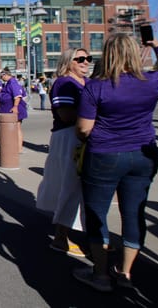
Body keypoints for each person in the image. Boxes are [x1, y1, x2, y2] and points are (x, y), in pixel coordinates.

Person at [72, 33, 158, 292]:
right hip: (143, 154)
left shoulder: (96, 86)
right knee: (134, 212)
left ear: (108, 55)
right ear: (135, 54)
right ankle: (125, 272)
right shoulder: (151, 82)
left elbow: (83, 129)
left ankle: (101, 274)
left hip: (105, 153)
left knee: (97, 213)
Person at [35, 48, 91, 259]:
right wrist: (94, 112)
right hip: (70, 137)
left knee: (83, 188)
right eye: (80, 59)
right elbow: (66, 114)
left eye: (88, 58)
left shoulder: (84, 83)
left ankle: (91, 236)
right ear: (69, 62)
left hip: (84, 137)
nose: (86, 62)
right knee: (70, 185)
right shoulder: (64, 83)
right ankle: (61, 237)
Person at [0, 68, 28, 152]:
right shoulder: (9, 83)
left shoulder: (13, 83)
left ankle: (19, 148)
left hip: (14, 108)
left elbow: (17, 96)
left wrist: (15, 106)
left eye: (1, 76)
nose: (1, 78)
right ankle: (15, 147)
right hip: (9, 108)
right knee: (14, 129)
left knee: (17, 128)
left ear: (5, 75)